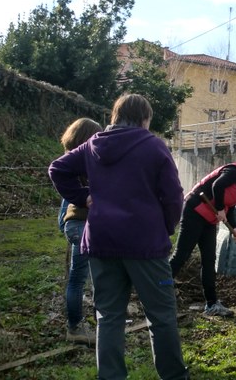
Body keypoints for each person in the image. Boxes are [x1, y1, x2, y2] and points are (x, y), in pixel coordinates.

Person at [48, 94, 189, 380]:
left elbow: (58, 168)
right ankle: (174, 376)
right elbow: (174, 196)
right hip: (145, 245)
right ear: (144, 119)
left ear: (115, 116)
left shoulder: (92, 145)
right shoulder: (154, 147)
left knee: (108, 316)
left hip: (102, 242)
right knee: (161, 317)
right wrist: (167, 226)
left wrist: (83, 197)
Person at [169, 152, 236, 316]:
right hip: (195, 211)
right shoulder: (234, 172)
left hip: (208, 219)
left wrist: (235, 227)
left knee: (209, 260)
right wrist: (220, 208)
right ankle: (156, 289)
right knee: (182, 254)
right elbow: (217, 186)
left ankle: (212, 304)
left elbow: (231, 207)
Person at [57, 117, 102, 345]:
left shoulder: (68, 161)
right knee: (96, 278)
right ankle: (84, 326)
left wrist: (65, 225)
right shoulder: (87, 161)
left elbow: (64, 206)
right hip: (87, 226)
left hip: (75, 225)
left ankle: (78, 325)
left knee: (78, 279)